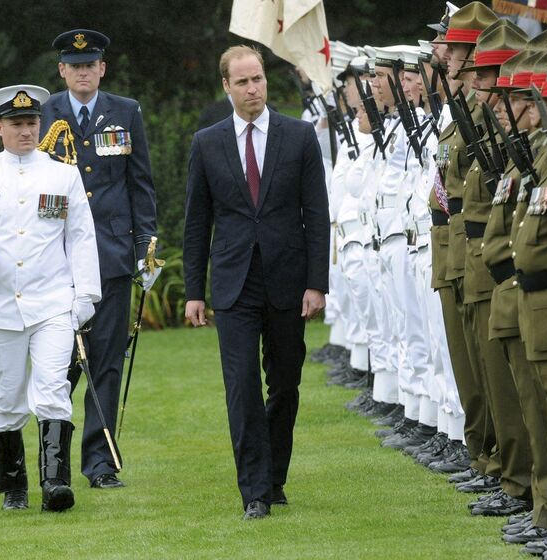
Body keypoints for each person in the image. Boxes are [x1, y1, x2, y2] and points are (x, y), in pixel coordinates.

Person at [183, 45, 330, 520]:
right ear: (226, 86)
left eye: (259, 79)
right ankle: (255, 492)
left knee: (285, 384)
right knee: (241, 384)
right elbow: (195, 223)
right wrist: (193, 292)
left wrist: (317, 282)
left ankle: (274, 474)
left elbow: (318, 215)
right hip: (233, 284)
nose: (252, 89)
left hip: (288, 279)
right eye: (242, 81)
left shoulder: (299, 136)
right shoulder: (207, 143)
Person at [0, 84, 101, 512]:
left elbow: (81, 237)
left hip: (52, 299)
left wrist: (85, 294)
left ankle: (55, 483)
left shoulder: (62, 174)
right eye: (16, 124)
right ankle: (14, 487)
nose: (25, 131)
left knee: (53, 388)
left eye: (32, 122)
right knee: (5, 396)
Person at [40, 29, 159, 489]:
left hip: (111, 255)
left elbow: (140, 184)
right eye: (75, 64)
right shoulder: (42, 113)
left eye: (91, 64)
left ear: (102, 69)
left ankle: (101, 463)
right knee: (59, 364)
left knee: (106, 360)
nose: (84, 71)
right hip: (56, 259)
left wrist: (145, 248)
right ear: (62, 70)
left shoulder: (125, 111)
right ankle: (54, 463)